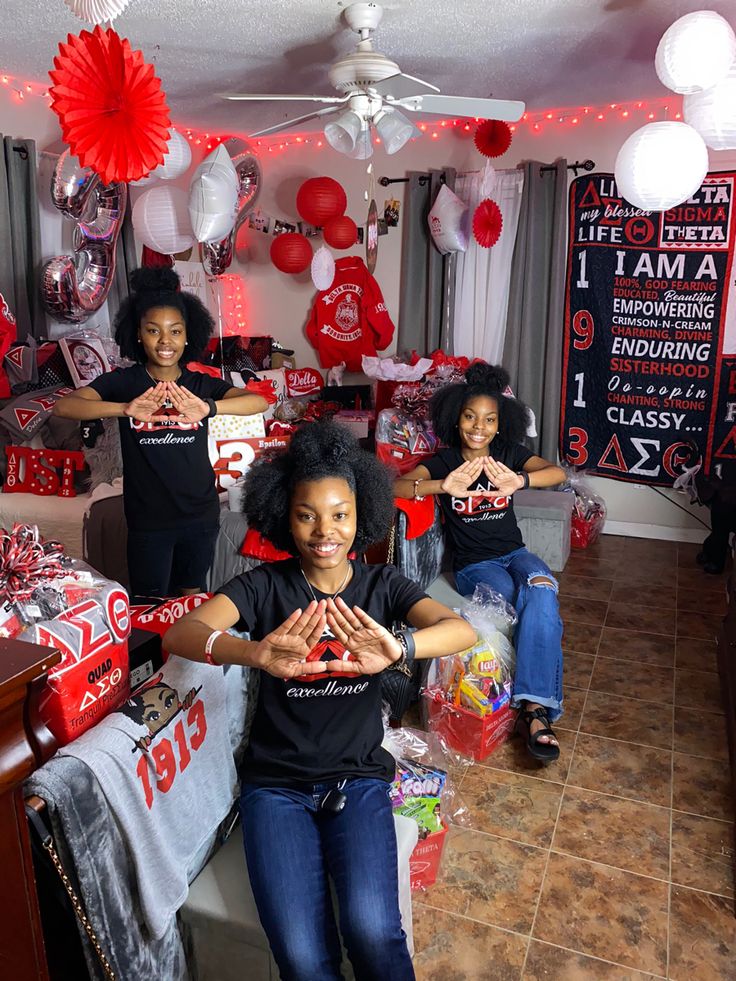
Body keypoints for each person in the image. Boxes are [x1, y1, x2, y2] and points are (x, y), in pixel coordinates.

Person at [164, 421, 477, 981]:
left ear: (362, 516)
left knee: (373, 930)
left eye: (340, 514)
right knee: (304, 959)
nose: (324, 530)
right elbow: (181, 633)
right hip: (276, 789)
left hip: (358, 779)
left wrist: (399, 647)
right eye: (307, 514)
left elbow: (460, 632)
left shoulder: (384, 586)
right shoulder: (264, 586)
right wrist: (255, 653)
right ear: (285, 515)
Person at [53, 267, 268, 597]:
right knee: (149, 601)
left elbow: (257, 401)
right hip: (149, 518)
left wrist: (208, 407)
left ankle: (185, 651)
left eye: (175, 331)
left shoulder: (199, 384)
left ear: (187, 335)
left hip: (200, 513)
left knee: (191, 596)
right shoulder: (126, 383)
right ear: (138, 334)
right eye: (154, 330)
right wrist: (124, 409)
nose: (165, 341)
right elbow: (65, 406)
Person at [394, 363, 566, 764]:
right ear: (456, 419)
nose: (479, 427)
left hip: (516, 553)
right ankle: (537, 712)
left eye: (489, 419)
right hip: (476, 564)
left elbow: (555, 472)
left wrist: (518, 481)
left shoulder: (507, 456)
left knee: (541, 588)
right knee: (510, 597)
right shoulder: (446, 460)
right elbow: (396, 485)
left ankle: (531, 708)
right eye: (470, 417)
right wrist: (443, 485)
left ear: (499, 423)